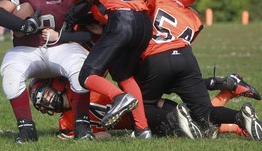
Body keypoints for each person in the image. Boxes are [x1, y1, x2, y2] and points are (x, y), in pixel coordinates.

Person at [133, 0, 262, 141]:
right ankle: (240, 117)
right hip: (186, 58)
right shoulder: (194, 19)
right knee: (204, 111)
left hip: (157, 57)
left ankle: (174, 119)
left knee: (141, 105)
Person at [0, 0, 93, 143]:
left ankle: (82, 125)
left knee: (82, 68)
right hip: (28, 49)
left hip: (63, 46)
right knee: (10, 71)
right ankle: (26, 129)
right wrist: (23, 26)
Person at [64, 0, 157, 138]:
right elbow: (149, 11)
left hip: (121, 23)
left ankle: (118, 97)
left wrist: (67, 23)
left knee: (87, 75)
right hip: (145, 27)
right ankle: (143, 129)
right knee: (125, 76)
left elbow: (83, 4)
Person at [28, 73, 260, 139]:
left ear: (57, 82)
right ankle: (231, 101)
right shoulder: (66, 122)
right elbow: (103, 136)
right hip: (137, 123)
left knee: (198, 124)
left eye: (44, 94)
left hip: (145, 108)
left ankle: (229, 97)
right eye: (40, 101)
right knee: (200, 126)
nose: (43, 101)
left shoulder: (88, 86)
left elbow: (127, 91)